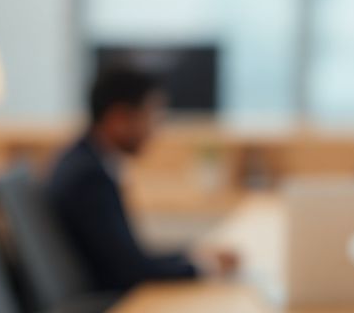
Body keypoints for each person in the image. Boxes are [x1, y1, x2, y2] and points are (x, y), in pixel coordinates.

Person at [47, 63, 239, 293]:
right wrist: (204, 267)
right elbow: (131, 270)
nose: (155, 128)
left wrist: (191, 255)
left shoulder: (84, 160)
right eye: (152, 115)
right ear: (118, 118)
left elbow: (128, 256)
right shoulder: (89, 178)